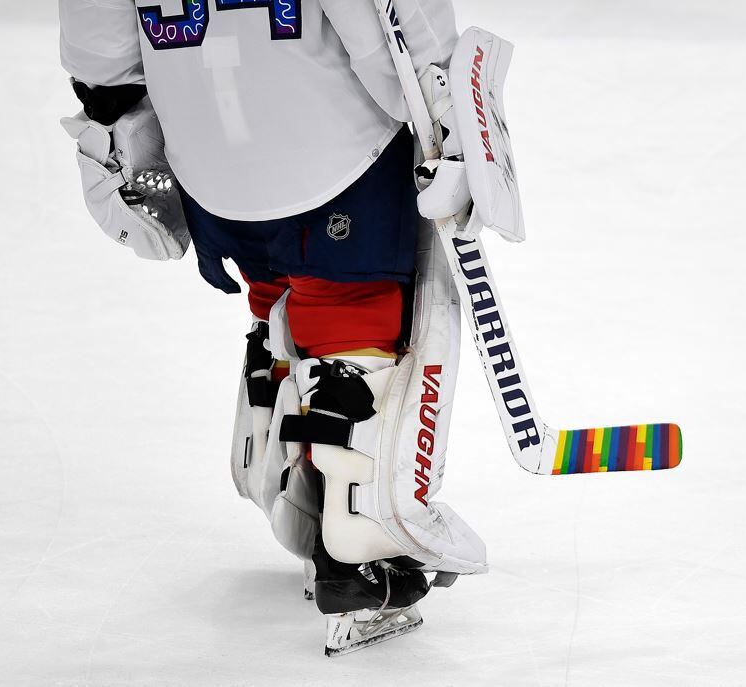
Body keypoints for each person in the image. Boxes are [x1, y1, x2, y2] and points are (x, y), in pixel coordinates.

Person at [59, 0, 487, 655]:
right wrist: (442, 101)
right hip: (329, 143)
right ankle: (356, 516)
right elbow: (387, 22)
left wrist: (113, 119)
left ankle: (291, 440)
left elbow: (99, 35)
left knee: (281, 272)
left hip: (205, 157)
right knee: (351, 292)